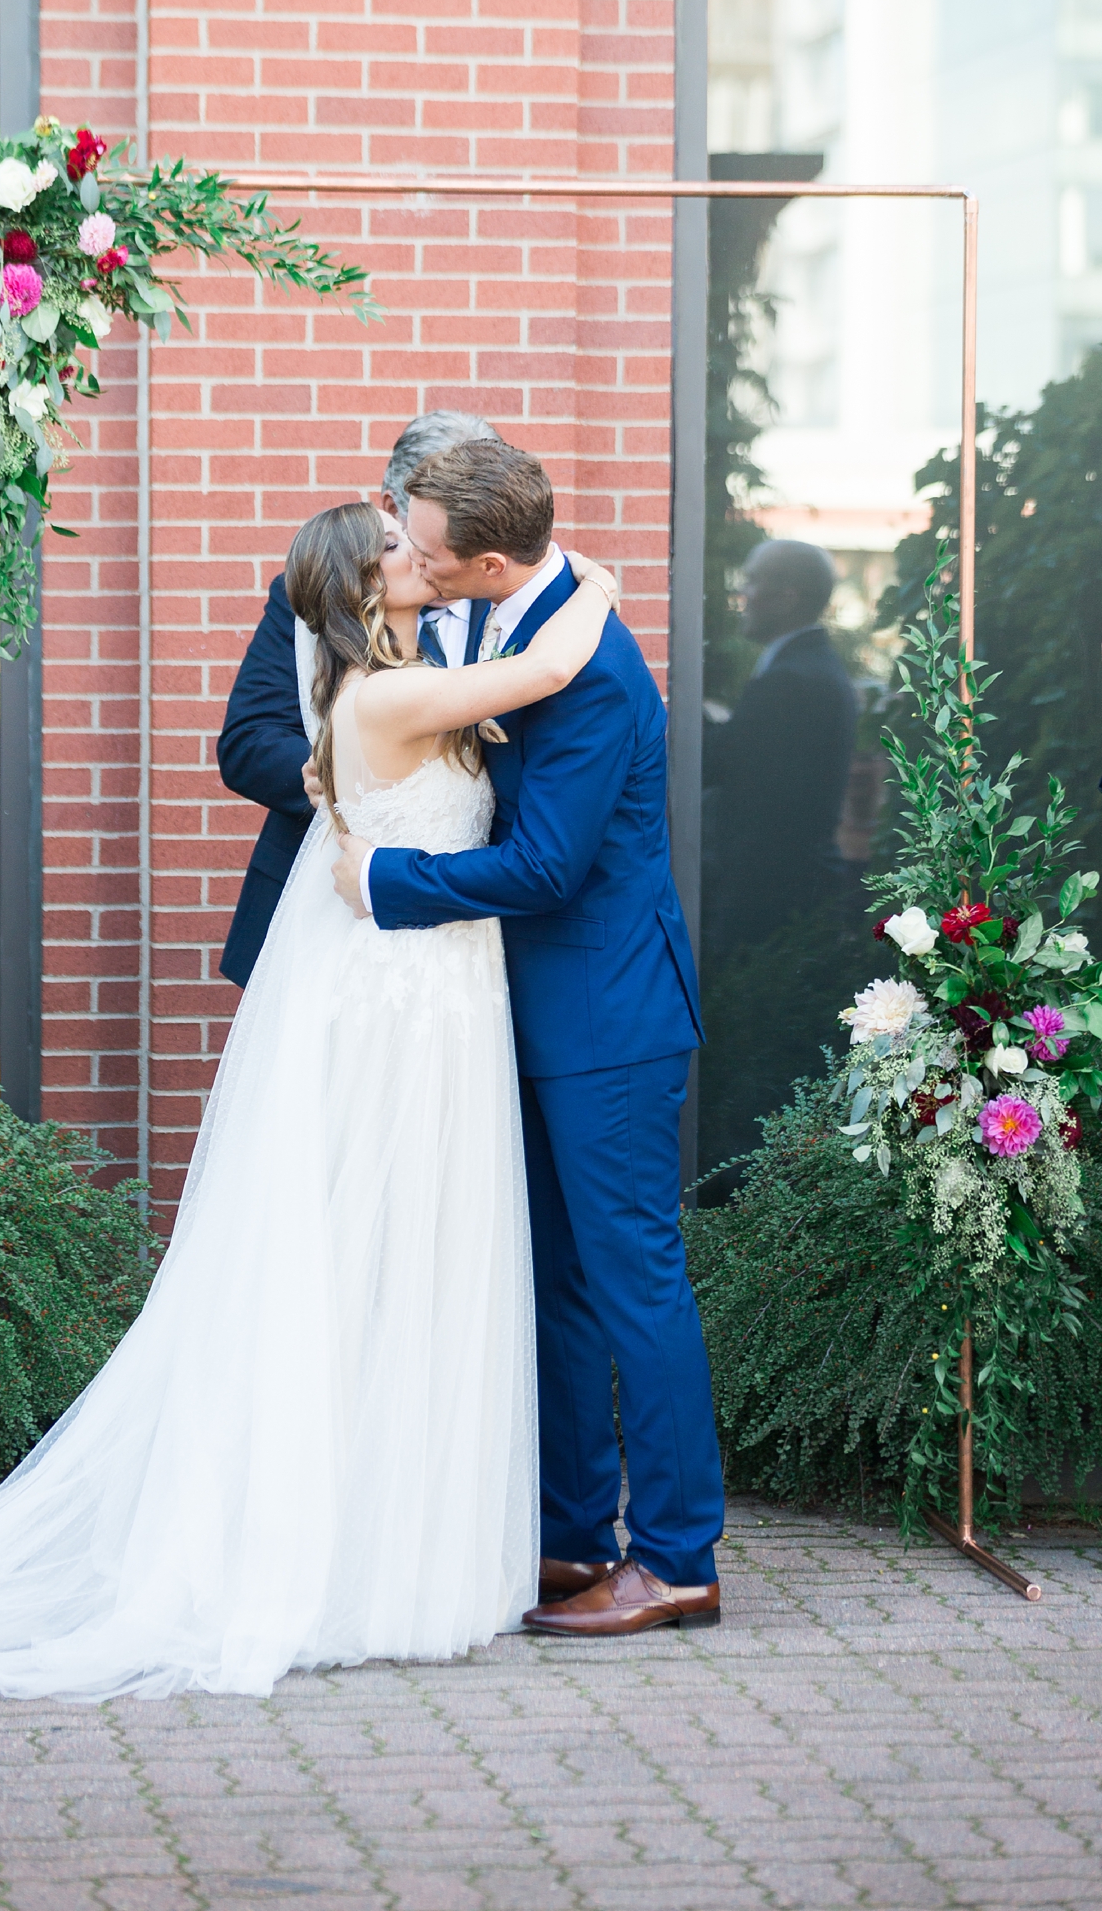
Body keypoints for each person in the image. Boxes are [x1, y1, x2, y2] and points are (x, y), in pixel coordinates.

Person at [0, 501, 619, 1701]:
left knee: (416, 1264)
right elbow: (537, 669)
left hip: (439, 994)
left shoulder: (427, 662)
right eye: (395, 545)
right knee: (349, 1260)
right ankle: (325, 1554)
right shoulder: (384, 688)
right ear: (361, 587)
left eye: (415, 533)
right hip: (385, 997)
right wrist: (581, 573)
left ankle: (396, 1543)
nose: (414, 554)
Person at [332, 440, 725, 1637]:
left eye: (433, 553)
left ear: (490, 559)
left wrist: (384, 877)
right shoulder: (530, 615)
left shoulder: (588, 664)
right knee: (555, 1283)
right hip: (542, 1012)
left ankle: (674, 1556)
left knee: (631, 1282)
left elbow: (550, 864)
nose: (420, 566)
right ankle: (565, 1537)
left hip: (607, 1016)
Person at [217, 408, 501, 986]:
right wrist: (332, 771)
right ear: (394, 506)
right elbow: (247, 742)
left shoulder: (515, 599)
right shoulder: (312, 597)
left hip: (468, 916)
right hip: (324, 907)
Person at [702, 538, 858, 957]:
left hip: (771, 899)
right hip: (792, 892)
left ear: (787, 598)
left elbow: (720, 762)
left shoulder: (790, 681)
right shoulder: (809, 670)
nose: (742, 594)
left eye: (752, 582)